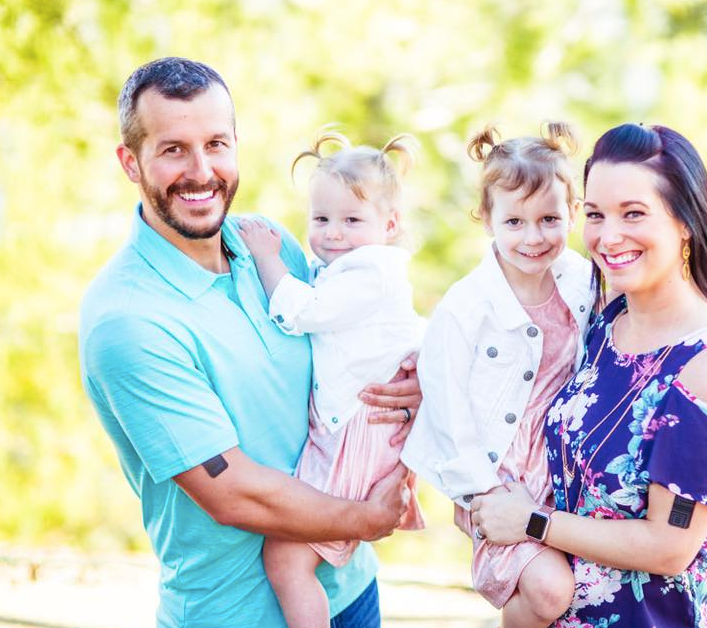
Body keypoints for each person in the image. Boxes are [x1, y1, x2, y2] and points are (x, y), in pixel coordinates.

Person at [78, 57, 419, 628]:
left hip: (351, 587)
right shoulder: (127, 320)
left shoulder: (271, 247)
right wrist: (366, 518)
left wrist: (411, 383)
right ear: (130, 162)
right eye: (173, 150)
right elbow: (232, 493)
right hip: (236, 613)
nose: (200, 171)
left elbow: (359, 337)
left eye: (216, 144)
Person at [470, 123, 707, 628]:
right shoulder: (609, 317)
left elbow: (669, 546)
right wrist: (420, 376)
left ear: (685, 222)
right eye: (595, 214)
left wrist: (532, 522)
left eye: (633, 213)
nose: (608, 237)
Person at [402, 122, 595, 628]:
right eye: (514, 222)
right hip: (498, 480)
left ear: (574, 212)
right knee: (551, 591)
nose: (533, 237)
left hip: (563, 477)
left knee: (580, 594)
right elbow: (446, 410)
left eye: (549, 219)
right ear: (486, 219)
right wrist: (482, 494)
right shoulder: (466, 308)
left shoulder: (584, 280)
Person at [237, 127, 426, 628]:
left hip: (357, 431)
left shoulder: (370, 273)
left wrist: (266, 258)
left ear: (390, 223)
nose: (333, 233)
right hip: (348, 427)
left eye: (352, 220)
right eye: (321, 219)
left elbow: (307, 311)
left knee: (285, 557)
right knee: (291, 556)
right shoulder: (347, 269)